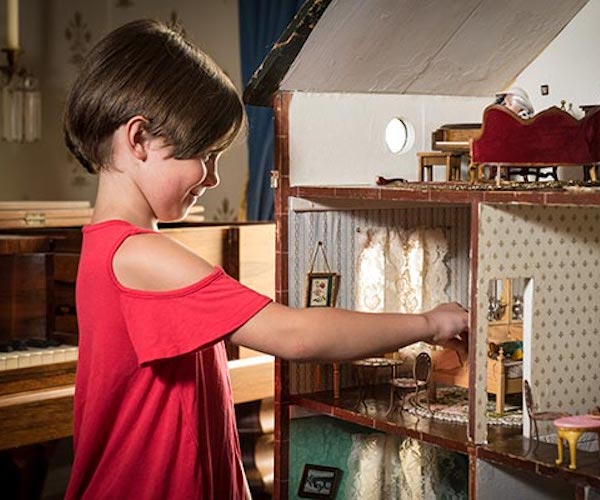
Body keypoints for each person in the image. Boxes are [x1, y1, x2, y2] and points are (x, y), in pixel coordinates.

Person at [63, 19, 468, 500]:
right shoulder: (140, 256)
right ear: (139, 139)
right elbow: (294, 334)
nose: (211, 179)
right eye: (205, 156)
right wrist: (428, 321)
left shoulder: (106, 248)